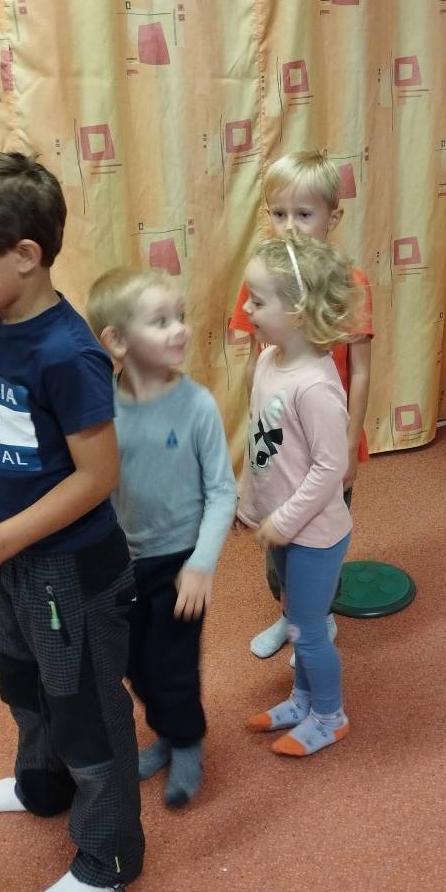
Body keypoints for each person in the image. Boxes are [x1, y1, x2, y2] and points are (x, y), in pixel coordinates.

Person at [0, 153, 144, 892]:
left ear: (24, 255)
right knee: (23, 682)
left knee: (86, 711)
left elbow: (96, 477)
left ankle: (108, 858)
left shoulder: (68, 354)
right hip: (15, 558)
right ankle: (41, 788)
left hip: (71, 572)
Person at [86, 267, 236, 808]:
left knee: (173, 667)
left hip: (179, 565)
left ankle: (187, 741)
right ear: (117, 341)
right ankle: (167, 732)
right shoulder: (101, 408)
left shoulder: (197, 405)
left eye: (181, 317)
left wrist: (201, 564)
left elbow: (223, 492)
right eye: (161, 321)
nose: (179, 329)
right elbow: (96, 484)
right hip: (123, 564)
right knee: (134, 664)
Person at [228, 151, 372, 659]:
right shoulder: (261, 281)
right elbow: (254, 364)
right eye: (278, 213)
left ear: (332, 217)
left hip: (327, 438)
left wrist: (350, 446)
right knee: (278, 541)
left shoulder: (350, 283)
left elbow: (361, 371)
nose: (289, 226)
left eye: (304, 214)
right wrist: (256, 437)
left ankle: (317, 617)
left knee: (316, 535)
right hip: (278, 438)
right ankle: (291, 614)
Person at [237, 232, 359, 756]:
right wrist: (250, 504)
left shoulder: (315, 386)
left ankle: (330, 716)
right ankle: (303, 698)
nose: (246, 309)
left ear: (299, 311)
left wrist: (284, 521)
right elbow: (261, 443)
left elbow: (332, 467)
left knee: (309, 630)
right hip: (285, 528)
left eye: (257, 301)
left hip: (314, 535)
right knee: (296, 622)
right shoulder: (269, 361)